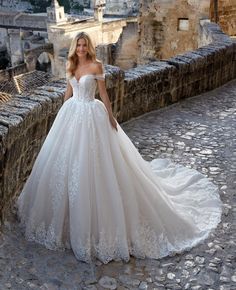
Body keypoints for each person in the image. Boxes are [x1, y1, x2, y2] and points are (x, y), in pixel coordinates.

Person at [17, 32, 222, 264]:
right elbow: (68, 92)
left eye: (85, 45)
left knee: (96, 164)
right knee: (66, 165)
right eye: (79, 45)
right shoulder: (70, 64)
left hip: (92, 115)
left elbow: (103, 93)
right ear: (75, 47)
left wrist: (111, 118)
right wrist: (61, 115)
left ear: (89, 46)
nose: (82, 48)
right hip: (72, 114)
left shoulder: (96, 66)